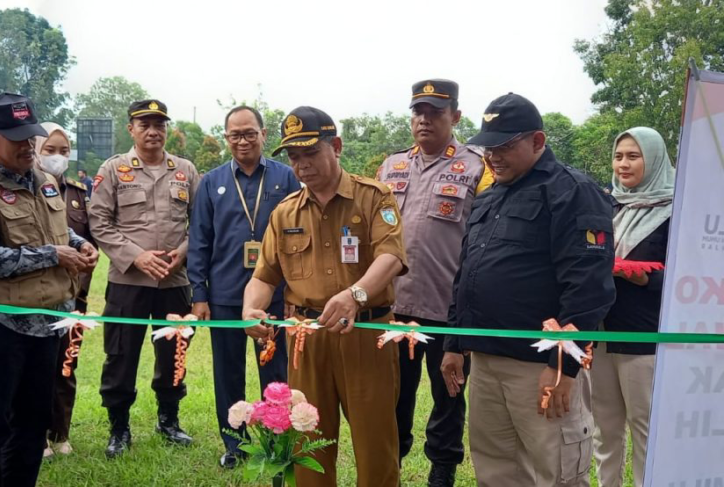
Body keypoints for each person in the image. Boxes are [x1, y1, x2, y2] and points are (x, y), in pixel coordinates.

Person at [440, 93, 616, 487]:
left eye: (504, 146)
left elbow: (589, 286)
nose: (493, 157)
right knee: (495, 470)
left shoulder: (571, 191)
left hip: (540, 368)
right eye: (488, 147)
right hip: (485, 362)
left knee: (554, 472)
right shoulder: (487, 199)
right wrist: (454, 342)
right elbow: (465, 274)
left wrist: (563, 367)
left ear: (537, 141)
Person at [243, 106, 408, 487]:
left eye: (310, 153)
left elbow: (392, 257)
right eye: (294, 157)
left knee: (375, 443)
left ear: (336, 146)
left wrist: (356, 294)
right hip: (307, 338)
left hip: (366, 335)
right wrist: (251, 307)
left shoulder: (373, 197)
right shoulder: (284, 213)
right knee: (308, 444)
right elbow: (264, 276)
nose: (302, 166)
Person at [0, 92, 98, 486]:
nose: (26, 145)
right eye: (14, 136)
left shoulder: (45, 182)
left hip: (46, 326)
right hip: (2, 327)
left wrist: (79, 244)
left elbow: (56, 229)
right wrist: (55, 255)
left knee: (32, 428)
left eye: (29, 135)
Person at [376, 79, 492, 486]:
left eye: (435, 113)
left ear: (455, 117)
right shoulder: (391, 166)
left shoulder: (478, 167)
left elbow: (486, 241)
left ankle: (441, 472)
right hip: (394, 307)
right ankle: (391, 462)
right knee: (393, 396)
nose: (424, 121)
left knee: (448, 396)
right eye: (418, 113)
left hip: (449, 308)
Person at [187, 105, 300, 469]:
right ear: (226, 138)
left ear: (263, 134)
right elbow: (199, 240)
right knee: (228, 372)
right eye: (235, 134)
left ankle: (276, 441)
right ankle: (235, 444)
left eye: (249, 132)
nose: (243, 140)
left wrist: (296, 294)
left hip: (275, 294)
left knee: (276, 372)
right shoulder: (211, 182)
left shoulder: (286, 177)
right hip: (224, 294)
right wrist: (199, 294)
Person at [88, 99, 200, 458]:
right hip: (128, 283)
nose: (153, 131)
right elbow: (99, 223)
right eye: (145, 124)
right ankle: (119, 428)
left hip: (174, 281)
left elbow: (201, 224)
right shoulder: (114, 169)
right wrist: (136, 256)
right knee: (120, 355)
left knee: (174, 353)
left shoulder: (185, 170)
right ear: (131, 129)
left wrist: (184, 250)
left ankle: (169, 419)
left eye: (160, 124)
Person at [592, 127, 674, 487]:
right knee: (604, 430)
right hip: (602, 333)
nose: (623, 164)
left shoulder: (677, 211)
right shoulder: (605, 206)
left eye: (633, 156)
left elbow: (690, 274)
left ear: (654, 160)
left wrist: (647, 279)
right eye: (619, 156)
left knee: (646, 430)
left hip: (644, 337)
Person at [33, 122, 96, 457]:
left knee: (65, 366)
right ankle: (36, 435)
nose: (58, 157)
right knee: (36, 368)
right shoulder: (27, 189)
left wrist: (90, 254)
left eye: (63, 151)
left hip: (75, 297)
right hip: (38, 295)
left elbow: (92, 238)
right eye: (50, 150)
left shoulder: (77, 193)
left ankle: (60, 432)